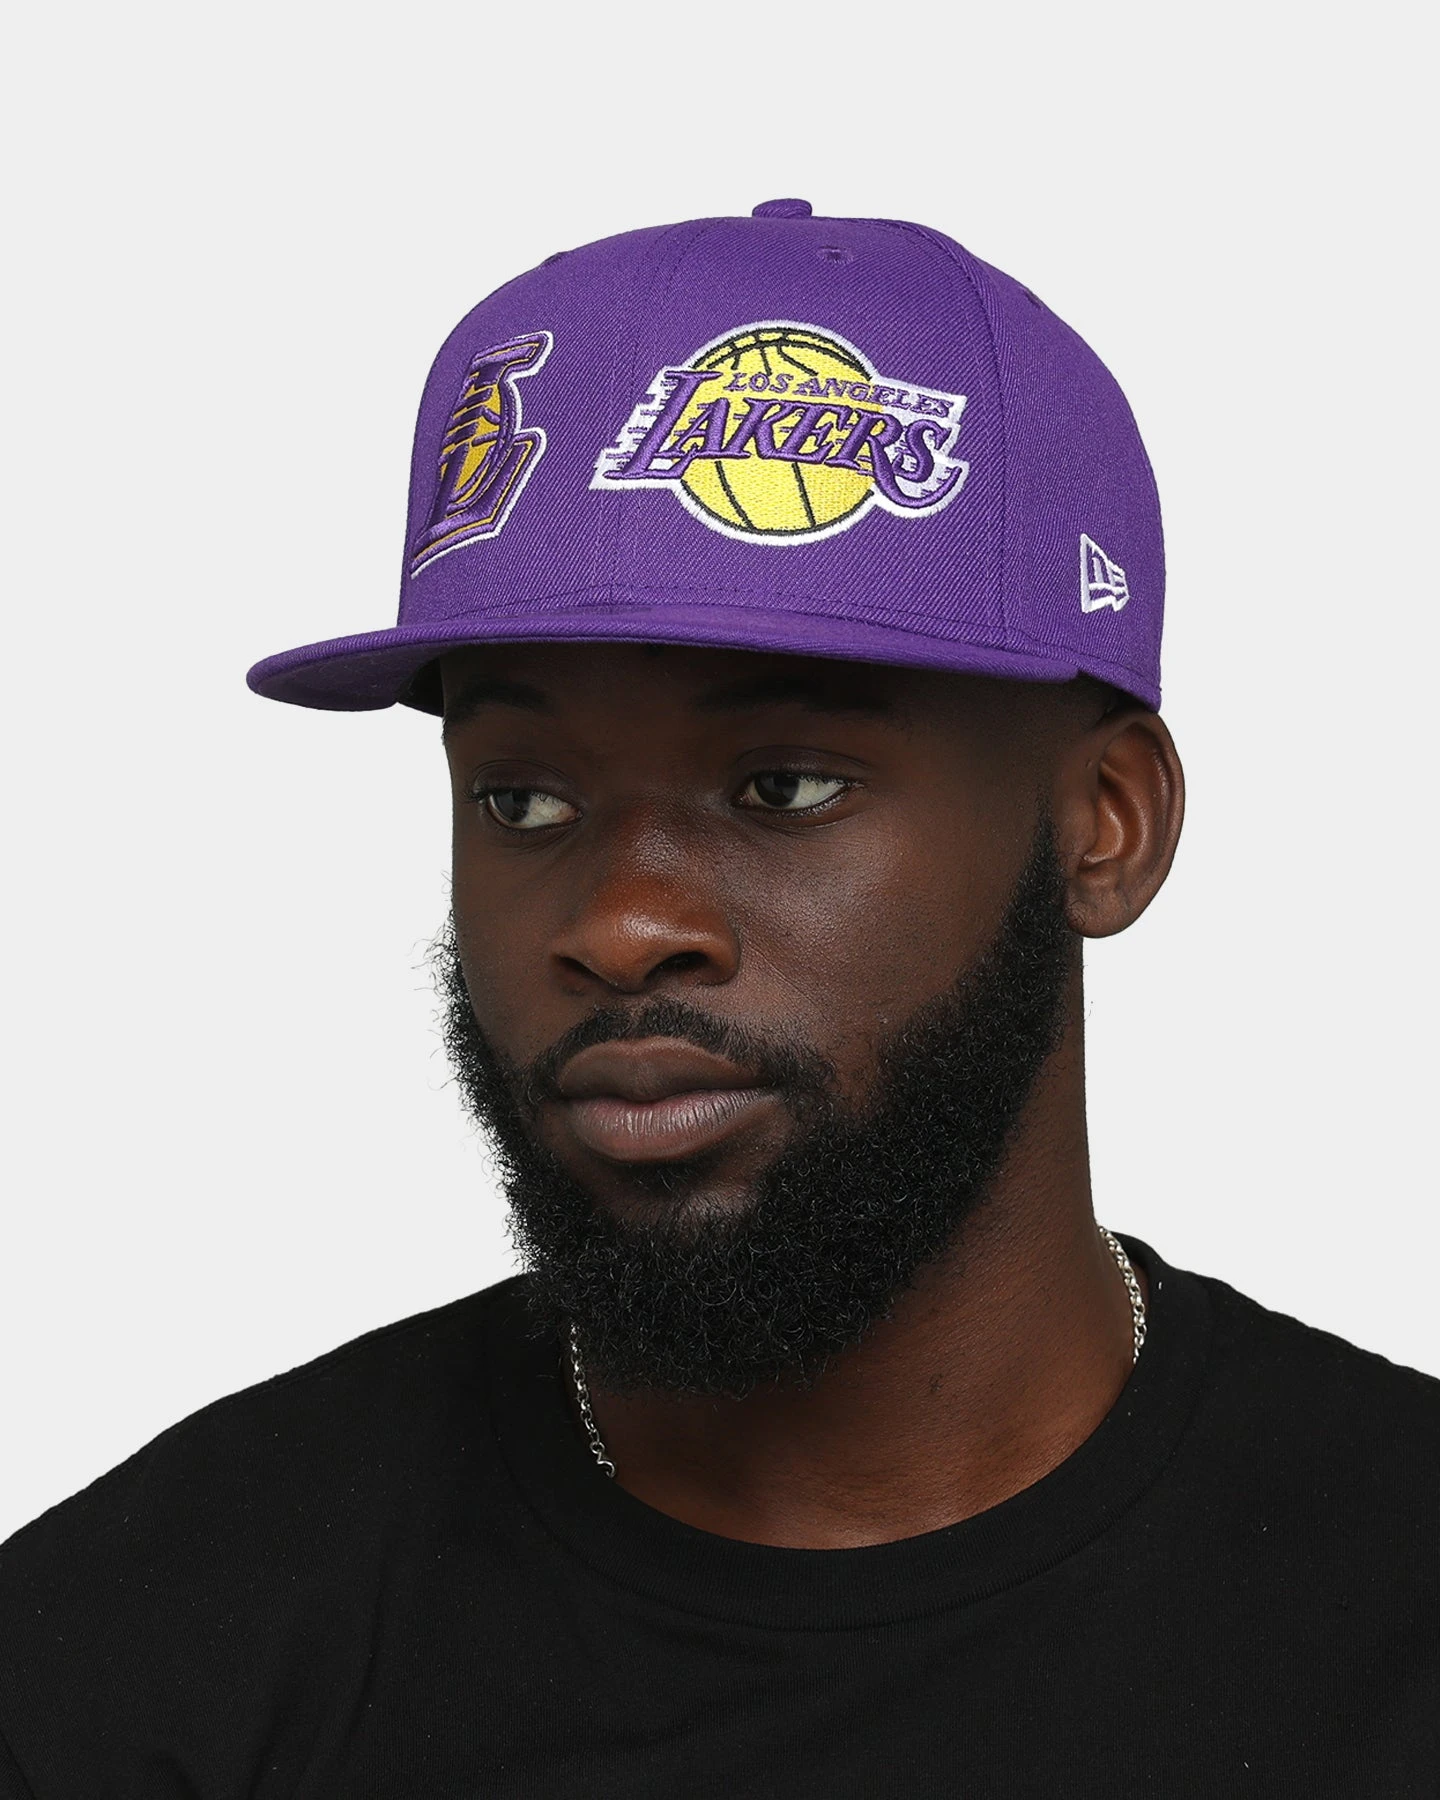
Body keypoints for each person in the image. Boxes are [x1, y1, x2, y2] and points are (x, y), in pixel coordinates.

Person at [1, 198, 1435, 1799]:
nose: (621, 926)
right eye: (523, 799)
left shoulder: (1393, 1610)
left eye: (785, 785)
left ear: (1107, 823)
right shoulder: (139, 1663)